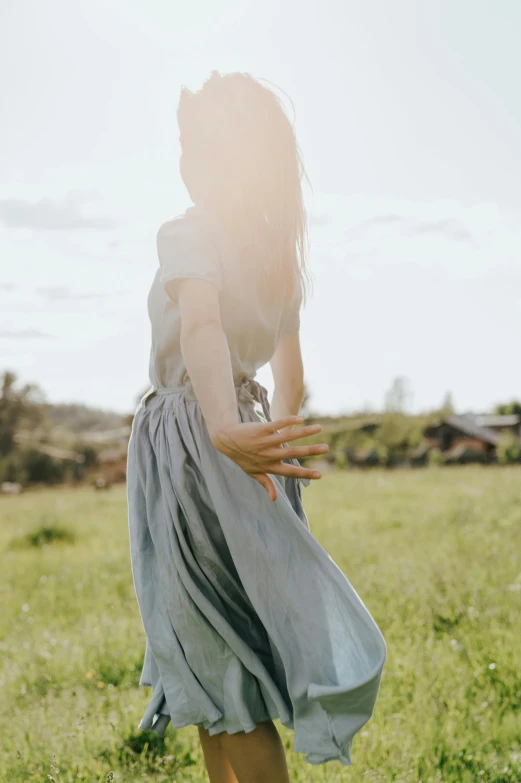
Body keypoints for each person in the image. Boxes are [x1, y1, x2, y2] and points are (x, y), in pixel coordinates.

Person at [126, 71, 386, 783]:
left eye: (197, 147)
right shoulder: (276, 255)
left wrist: (218, 426)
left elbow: (203, 326)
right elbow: (288, 367)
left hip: (196, 441)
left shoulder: (188, 232)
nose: (185, 163)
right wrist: (276, 437)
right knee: (220, 654)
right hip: (245, 441)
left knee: (218, 654)